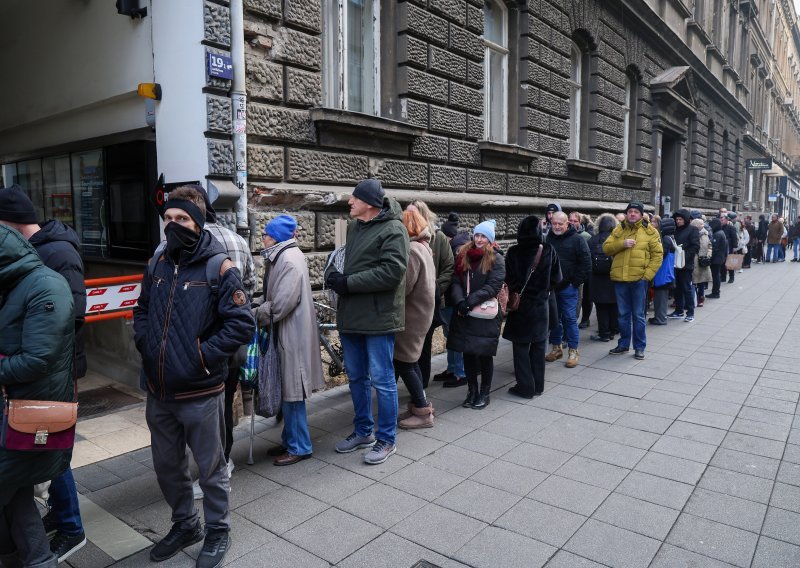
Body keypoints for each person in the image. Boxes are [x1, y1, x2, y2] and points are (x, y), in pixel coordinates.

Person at [134, 188, 254, 568]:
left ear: (198, 222)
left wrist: (200, 357)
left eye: (181, 219)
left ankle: (218, 530)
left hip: (201, 392)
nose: (173, 225)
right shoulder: (157, 264)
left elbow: (241, 324)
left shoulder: (218, 268)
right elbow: (141, 310)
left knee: (211, 469)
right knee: (167, 467)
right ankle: (185, 524)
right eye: (168, 219)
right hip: (159, 391)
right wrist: (147, 345)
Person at [0, 186, 87, 563]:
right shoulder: (30, 262)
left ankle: (71, 526)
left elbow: (68, 320)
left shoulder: (55, 257)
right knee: (39, 459)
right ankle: (57, 522)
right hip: (36, 382)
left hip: (48, 381)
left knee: (50, 451)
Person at [325, 179, 409, 465]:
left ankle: (387, 439)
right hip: (352, 317)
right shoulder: (355, 227)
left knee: (383, 381)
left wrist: (347, 283)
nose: (349, 201)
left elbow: (391, 273)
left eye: (354, 198)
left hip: (378, 318)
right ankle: (364, 432)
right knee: (357, 377)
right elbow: (352, 262)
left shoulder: (394, 229)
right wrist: (334, 274)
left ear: (369, 204)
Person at [186, 186, 255, 499]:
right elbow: (251, 286)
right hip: (234, 341)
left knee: (205, 409)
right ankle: (224, 461)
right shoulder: (238, 240)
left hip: (205, 341)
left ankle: (212, 469)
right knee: (225, 402)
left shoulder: (193, 244)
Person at [253, 215, 325, 465]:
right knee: (289, 390)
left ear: (275, 237)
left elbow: (281, 304)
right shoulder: (281, 255)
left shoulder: (288, 259)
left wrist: (254, 314)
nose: (262, 238)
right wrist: (257, 305)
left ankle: (300, 446)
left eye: (265, 234)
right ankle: (290, 440)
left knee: (293, 392)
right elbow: (273, 296)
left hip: (291, 335)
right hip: (287, 333)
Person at [447, 219, 505, 408]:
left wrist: (470, 302)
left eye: (483, 236)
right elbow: (455, 280)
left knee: (484, 354)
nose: (479, 239)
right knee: (468, 353)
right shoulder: (463, 254)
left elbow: (492, 286)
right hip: (464, 311)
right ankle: (472, 391)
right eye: (477, 235)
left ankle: (485, 393)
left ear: (490, 239)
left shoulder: (497, 258)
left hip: (484, 312)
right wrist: (460, 302)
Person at [503, 216, 562, 398]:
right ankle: (538, 386)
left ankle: (525, 387)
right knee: (538, 346)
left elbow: (508, 280)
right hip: (540, 306)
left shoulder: (513, 252)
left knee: (520, 347)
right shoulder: (548, 250)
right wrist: (543, 291)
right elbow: (557, 279)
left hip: (520, 307)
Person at [603, 202, 663, 359]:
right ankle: (623, 345)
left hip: (639, 280)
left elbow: (658, 256)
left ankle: (639, 347)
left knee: (638, 315)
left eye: (636, 211)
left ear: (641, 214)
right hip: (620, 279)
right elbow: (606, 248)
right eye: (630, 211)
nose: (632, 214)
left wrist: (647, 275)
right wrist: (622, 244)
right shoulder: (620, 228)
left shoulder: (650, 232)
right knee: (623, 314)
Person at [394, 210, 436, 428]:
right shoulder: (424, 247)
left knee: (405, 363)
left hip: (411, 316)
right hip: (421, 314)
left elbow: (405, 286)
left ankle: (423, 412)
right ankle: (418, 406)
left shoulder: (411, 250)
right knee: (411, 361)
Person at [406, 201, 454, 388]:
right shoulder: (405, 237)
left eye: (412, 214)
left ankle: (421, 388)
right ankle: (415, 388)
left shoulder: (438, 238)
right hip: (410, 305)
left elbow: (448, 267)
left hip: (430, 304)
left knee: (423, 348)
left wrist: (434, 289)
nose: (407, 217)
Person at [545, 212, 591, 368]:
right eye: (554, 223)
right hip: (552, 287)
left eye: (560, 224)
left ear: (567, 224)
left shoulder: (578, 240)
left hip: (569, 288)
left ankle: (573, 351)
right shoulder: (548, 238)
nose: (557, 226)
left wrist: (574, 283)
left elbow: (586, 264)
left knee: (570, 319)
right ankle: (556, 348)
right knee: (554, 319)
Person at [433, 213, 467, 387]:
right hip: (448, 300)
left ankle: (459, 372)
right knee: (450, 336)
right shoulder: (454, 246)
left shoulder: (456, 249)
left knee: (455, 337)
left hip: (452, 301)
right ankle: (452, 369)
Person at [588, 214, 619, 341]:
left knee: (601, 308)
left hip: (597, 279)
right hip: (614, 278)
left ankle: (604, 333)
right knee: (613, 306)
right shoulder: (617, 240)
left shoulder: (592, 240)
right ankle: (614, 330)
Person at [667, 209, 700, 323]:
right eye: (677, 219)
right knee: (677, 288)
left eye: (680, 219)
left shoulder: (693, 230)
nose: (678, 221)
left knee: (686, 288)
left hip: (686, 264)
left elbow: (695, 246)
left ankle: (690, 312)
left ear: (685, 220)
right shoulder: (675, 230)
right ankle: (679, 310)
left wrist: (684, 256)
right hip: (675, 264)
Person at [649, 217, 676, 325]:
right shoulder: (671, 238)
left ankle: (660, 318)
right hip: (667, 273)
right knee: (661, 296)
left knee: (660, 296)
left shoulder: (665, 239)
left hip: (662, 274)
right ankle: (660, 317)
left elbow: (661, 255)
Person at [569, 211, 593, 329]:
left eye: (575, 221)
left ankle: (584, 319)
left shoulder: (586, 236)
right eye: (571, 220)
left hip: (581, 274)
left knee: (584, 298)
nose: (572, 223)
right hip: (568, 274)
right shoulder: (564, 234)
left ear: (580, 222)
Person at [691, 218, 712, 307]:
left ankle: (701, 298)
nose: (703, 225)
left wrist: (708, 255)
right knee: (693, 281)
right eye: (701, 224)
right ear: (696, 225)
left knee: (702, 281)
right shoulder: (692, 234)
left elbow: (710, 246)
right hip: (693, 261)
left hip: (703, 261)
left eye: (703, 224)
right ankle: (693, 299)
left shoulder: (705, 234)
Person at [707, 218, 728, 299]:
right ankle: (715, 292)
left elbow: (714, 248)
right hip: (720, 257)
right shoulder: (721, 232)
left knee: (715, 276)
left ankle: (715, 292)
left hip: (716, 259)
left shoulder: (718, 234)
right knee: (716, 275)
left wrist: (710, 257)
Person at [720, 213, 738, 282]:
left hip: (729, 248)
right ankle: (723, 277)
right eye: (720, 219)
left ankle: (731, 277)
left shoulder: (731, 228)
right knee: (722, 263)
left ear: (726, 220)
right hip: (722, 248)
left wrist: (734, 247)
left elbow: (734, 238)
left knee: (730, 263)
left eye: (722, 219)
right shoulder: (720, 227)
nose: (721, 220)